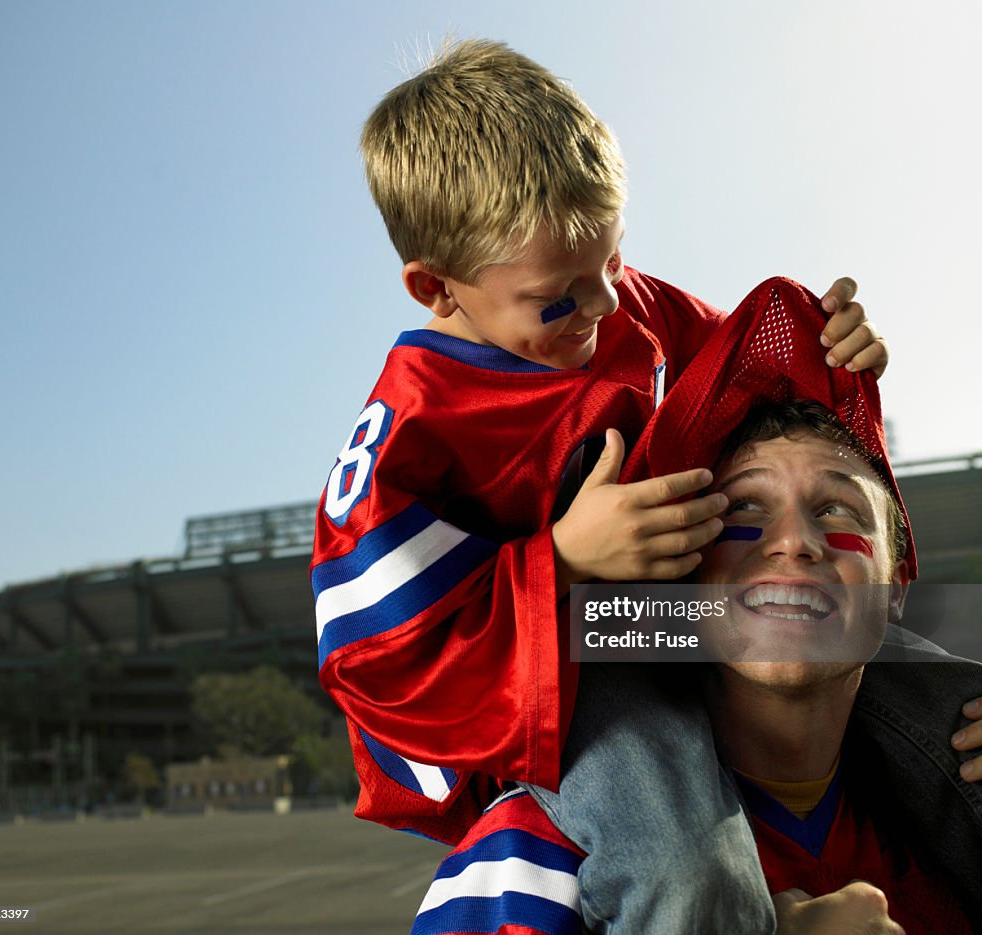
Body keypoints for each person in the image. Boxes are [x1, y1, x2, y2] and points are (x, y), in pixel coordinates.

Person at [310, 38, 889, 925]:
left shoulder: (620, 304)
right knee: (686, 865)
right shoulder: (412, 433)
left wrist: (834, 350)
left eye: (613, 262)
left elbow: (755, 376)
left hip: (686, 612)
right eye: (561, 298)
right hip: (580, 670)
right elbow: (379, 661)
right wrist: (564, 564)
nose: (609, 307)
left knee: (925, 663)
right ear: (438, 288)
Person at [410, 397, 982, 935]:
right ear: (681, 570)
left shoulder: (955, 815)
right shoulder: (540, 849)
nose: (794, 542)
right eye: (744, 507)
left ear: (898, 584)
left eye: (837, 509)